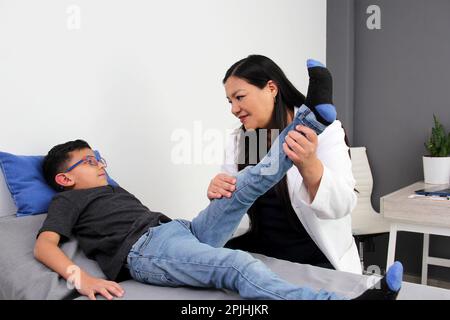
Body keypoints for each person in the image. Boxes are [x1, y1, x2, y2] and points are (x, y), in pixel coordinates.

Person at [34, 103, 403, 300]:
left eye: (98, 156)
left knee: (245, 183)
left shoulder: (109, 189)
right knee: (237, 264)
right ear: (65, 179)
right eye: (89, 161)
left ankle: (308, 123)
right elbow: (44, 246)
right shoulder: (67, 202)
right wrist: (79, 278)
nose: (100, 163)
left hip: (179, 230)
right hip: (145, 252)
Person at [208, 55, 360, 273]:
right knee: (202, 261)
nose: (233, 109)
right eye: (230, 102)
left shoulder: (327, 132)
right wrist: (218, 191)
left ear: (271, 88)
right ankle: (312, 115)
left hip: (315, 255)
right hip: (260, 251)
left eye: (239, 97)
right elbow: (230, 210)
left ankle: (311, 117)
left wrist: (309, 164)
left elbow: (341, 205)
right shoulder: (239, 139)